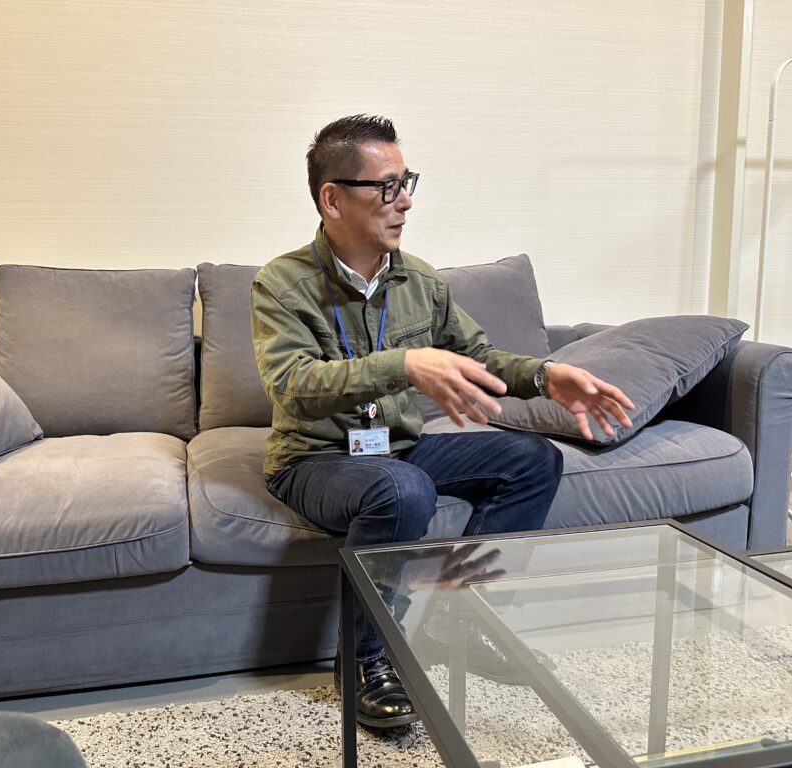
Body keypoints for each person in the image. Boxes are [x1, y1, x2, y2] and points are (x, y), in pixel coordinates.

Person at [250, 114, 634, 729]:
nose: (404, 201)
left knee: (533, 460)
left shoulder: (420, 280)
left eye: (407, 183)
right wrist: (404, 363)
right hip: (316, 458)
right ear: (333, 199)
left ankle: (462, 621)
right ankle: (364, 659)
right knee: (403, 490)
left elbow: (477, 356)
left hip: (397, 447)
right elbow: (292, 384)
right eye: (386, 186)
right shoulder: (282, 284)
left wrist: (545, 376)